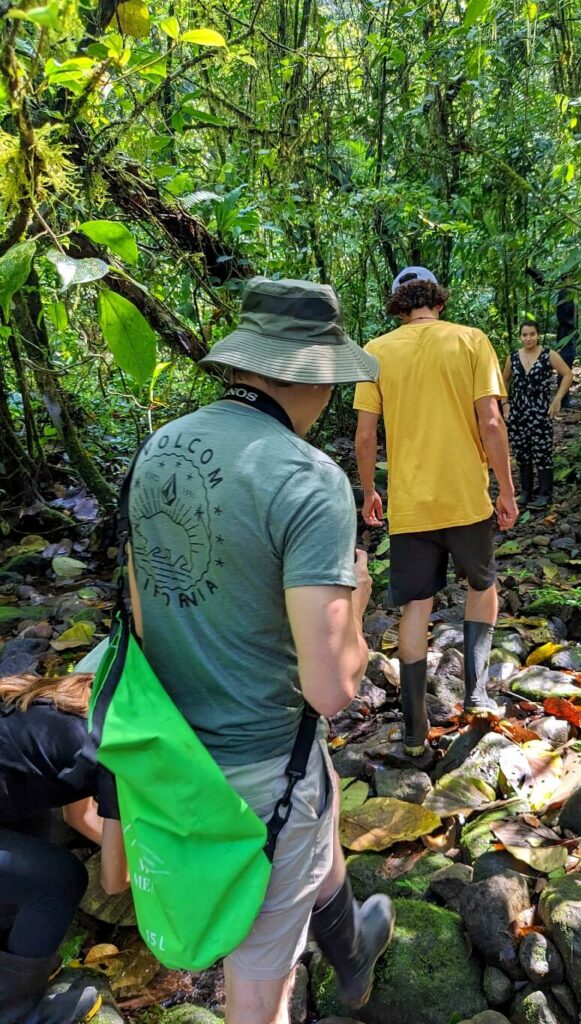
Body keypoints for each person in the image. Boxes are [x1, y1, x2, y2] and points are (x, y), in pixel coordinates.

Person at [126, 277, 394, 1024]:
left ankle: (350, 952)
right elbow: (330, 691)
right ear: (321, 376)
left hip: (169, 760)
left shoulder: (157, 449)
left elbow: (146, 620)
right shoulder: (311, 481)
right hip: (260, 773)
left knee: (325, 790)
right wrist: (360, 610)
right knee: (258, 983)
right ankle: (339, 959)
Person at [353, 267, 518, 758]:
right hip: (466, 495)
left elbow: (365, 435)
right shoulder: (471, 341)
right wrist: (506, 489)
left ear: (397, 304)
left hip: (409, 503)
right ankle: (477, 694)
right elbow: (490, 421)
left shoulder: (376, 352)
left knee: (415, 608)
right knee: (481, 585)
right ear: (437, 301)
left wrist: (368, 492)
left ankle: (413, 731)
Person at [0, 672, 128, 1024]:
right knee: (61, 880)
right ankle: (17, 1013)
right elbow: (115, 881)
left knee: (38, 825)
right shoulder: (117, 749)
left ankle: (15, 964)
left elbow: (78, 816)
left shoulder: (75, 711)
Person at [502, 319, 573, 510]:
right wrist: (505, 403)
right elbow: (504, 380)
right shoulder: (513, 357)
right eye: (524, 335)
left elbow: (567, 374)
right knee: (522, 451)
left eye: (532, 334)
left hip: (540, 410)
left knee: (542, 451)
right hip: (518, 411)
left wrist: (557, 399)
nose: (528, 338)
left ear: (538, 335)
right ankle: (525, 492)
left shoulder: (548, 355)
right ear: (520, 337)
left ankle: (544, 494)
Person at [525, 267, 580, 409]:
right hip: (566, 333)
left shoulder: (568, 293)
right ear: (567, 279)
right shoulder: (565, 293)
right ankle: (564, 400)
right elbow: (565, 317)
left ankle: (564, 398)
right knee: (565, 365)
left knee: (566, 363)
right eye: (571, 278)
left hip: (568, 333)